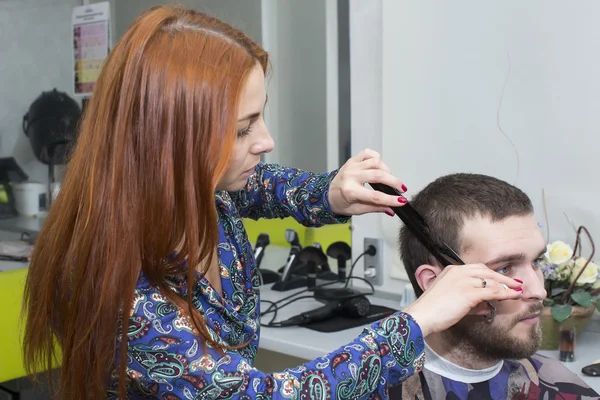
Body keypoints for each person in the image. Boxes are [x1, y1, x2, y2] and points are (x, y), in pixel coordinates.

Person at [21, 6, 523, 400]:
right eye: (242, 129)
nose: (266, 141)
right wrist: (417, 321)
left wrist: (330, 191)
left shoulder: (211, 199)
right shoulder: (118, 290)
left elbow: (263, 185)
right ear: (166, 143)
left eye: (260, 117)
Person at [390, 173, 600, 399]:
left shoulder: (557, 385)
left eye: (537, 261)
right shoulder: (372, 385)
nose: (539, 292)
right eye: (504, 269)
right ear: (433, 284)